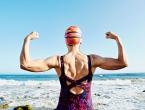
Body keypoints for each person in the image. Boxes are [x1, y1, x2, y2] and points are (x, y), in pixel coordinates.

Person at [20, 26, 128, 110]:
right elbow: (123, 63)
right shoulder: (92, 60)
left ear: (66, 41)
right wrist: (117, 39)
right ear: (81, 40)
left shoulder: (57, 61)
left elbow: (25, 64)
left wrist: (27, 39)